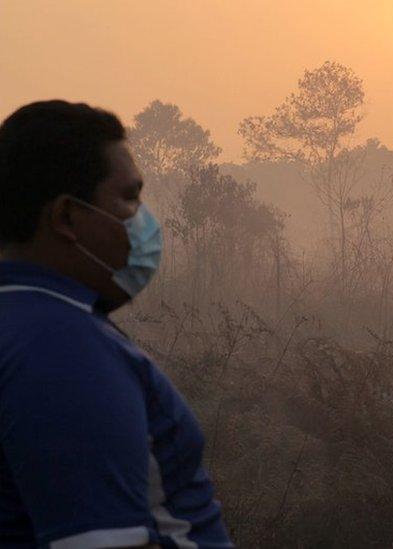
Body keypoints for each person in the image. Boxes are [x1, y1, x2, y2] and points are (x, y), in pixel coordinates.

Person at [0, 101, 233, 548]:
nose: (143, 221)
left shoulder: (27, 325)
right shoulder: (63, 354)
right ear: (67, 216)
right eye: (129, 197)